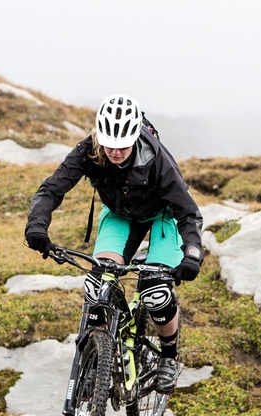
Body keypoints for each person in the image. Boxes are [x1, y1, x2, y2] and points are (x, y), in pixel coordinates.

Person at [24, 94, 204, 393]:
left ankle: (169, 357)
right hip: (119, 215)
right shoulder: (88, 150)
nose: (116, 152)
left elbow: (188, 213)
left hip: (161, 216)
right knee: (98, 283)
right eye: (110, 145)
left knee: (156, 292)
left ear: (135, 137)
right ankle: (97, 356)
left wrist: (192, 255)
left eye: (123, 146)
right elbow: (51, 189)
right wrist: (37, 228)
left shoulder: (156, 158)